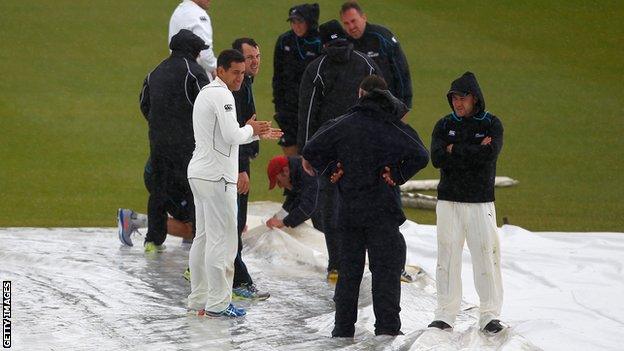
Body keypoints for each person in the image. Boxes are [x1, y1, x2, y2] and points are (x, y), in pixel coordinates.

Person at [301, 75, 429, 337]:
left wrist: (331, 170)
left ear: (360, 94)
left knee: (348, 273)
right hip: (383, 211)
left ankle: (343, 328)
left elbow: (311, 149)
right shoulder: (393, 126)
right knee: (386, 273)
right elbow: (421, 155)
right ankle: (388, 329)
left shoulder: (343, 124)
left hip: (349, 210)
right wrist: (397, 173)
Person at [186, 49, 281, 318]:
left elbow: (224, 136)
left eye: (243, 73)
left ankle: (199, 299)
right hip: (217, 178)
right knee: (223, 240)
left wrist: (254, 133)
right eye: (235, 72)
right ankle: (217, 304)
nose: (240, 78)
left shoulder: (207, 93)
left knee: (203, 238)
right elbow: (231, 134)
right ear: (220, 71)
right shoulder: (222, 94)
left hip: (200, 173)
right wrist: (251, 130)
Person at [298, 19, 381, 280]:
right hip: (365, 148)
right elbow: (383, 102)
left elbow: (308, 113)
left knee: (332, 206)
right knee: (365, 204)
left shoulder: (317, 68)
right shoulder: (366, 63)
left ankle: (336, 264)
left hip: (329, 150)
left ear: (323, 43)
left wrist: (307, 152)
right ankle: (367, 260)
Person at [428, 72, 506, 334]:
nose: (457, 104)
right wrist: (470, 149)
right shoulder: (443, 124)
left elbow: (488, 156)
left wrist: (454, 149)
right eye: (453, 99)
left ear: (475, 98)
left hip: (479, 202)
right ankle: (445, 314)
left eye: (462, 98)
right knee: (447, 255)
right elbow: (437, 158)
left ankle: (489, 315)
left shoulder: (492, 125)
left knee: (485, 255)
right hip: (448, 201)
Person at [136, 29, 209, 253]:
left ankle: (153, 241)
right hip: (188, 146)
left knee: (158, 191)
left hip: (158, 143)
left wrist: (160, 127)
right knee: (194, 192)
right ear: (192, 51)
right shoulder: (195, 72)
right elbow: (208, 107)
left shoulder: (155, 72)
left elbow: (144, 105)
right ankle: (199, 241)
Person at [230, 37, 270, 300]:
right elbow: (237, 131)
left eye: (257, 56)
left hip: (237, 162)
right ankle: (237, 282)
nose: (255, 62)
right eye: (249, 58)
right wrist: (241, 168)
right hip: (234, 165)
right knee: (235, 223)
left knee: (233, 222)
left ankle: (199, 269)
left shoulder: (246, 83)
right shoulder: (238, 88)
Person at [339, 1, 412, 108]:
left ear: (364, 17)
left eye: (353, 21)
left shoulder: (382, 38)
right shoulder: (343, 44)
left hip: (386, 106)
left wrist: (405, 106)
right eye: (346, 23)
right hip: (356, 109)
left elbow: (401, 73)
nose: (351, 27)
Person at [272, 3, 322, 156]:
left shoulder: (320, 43)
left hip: (313, 109)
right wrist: (279, 107)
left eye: (300, 21)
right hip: (288, 110)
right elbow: (278, 77)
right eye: (293, 22)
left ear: (309, 22)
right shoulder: (284, 41)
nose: (296, 26)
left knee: (311, 156)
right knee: (293, 161)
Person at [117, 157, 193, 247]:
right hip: (168, 177)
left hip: (165, 171)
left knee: (195, 224)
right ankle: (134, 219)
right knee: (193, 230)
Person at [265, 155, 321, 230]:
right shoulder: (294, 171)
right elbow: (293, 196)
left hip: (332, 196)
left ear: (285, 171)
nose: (280, 187)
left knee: (324, 226)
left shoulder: (306, 171)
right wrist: (280, 215)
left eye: (279, 182)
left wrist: (284, 222)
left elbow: (310, 205)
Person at [169, 0, 217, 79]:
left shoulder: (178, 11)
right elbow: (205, 55)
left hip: (178, 74)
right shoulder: (199, 15)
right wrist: (217, 67)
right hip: (198, 78)